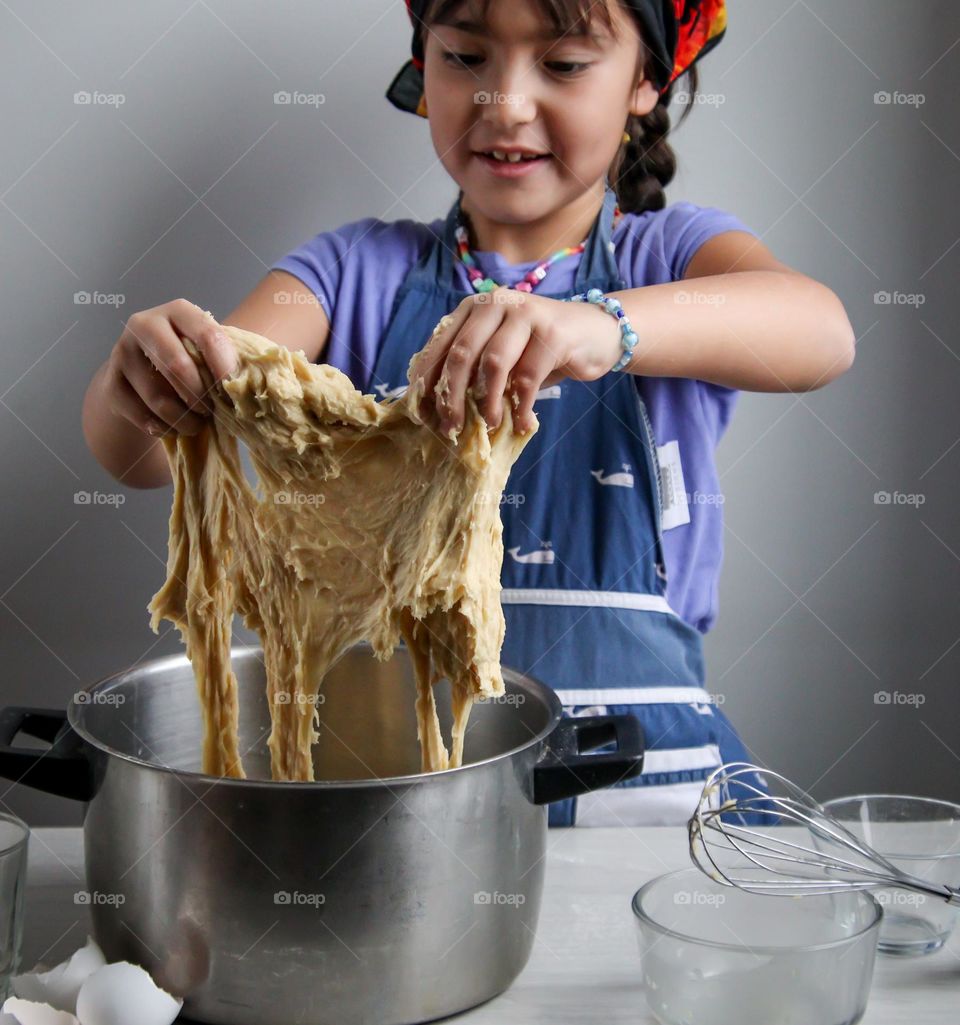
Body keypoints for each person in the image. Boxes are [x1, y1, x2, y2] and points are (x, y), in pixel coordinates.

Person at [82, 0, 856, 826]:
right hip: (412, 802)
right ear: (424, 67)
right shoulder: (353, 272)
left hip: (658, 809)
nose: (504, 103)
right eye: (465, 58)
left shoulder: (670, 258)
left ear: (645, 82)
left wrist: (604, 326)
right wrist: (147, 380)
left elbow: (820, 332)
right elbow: (148, 453)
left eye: (561, 65)